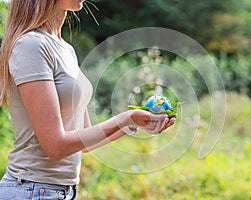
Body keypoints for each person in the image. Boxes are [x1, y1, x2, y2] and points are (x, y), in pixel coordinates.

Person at [0, 0, 176, 199]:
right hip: (32, 189)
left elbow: (84, 142)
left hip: (61, 191)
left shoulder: (66, 49)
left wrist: (133, 123)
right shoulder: (30, 45)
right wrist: (126, 118)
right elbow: (56, 147)